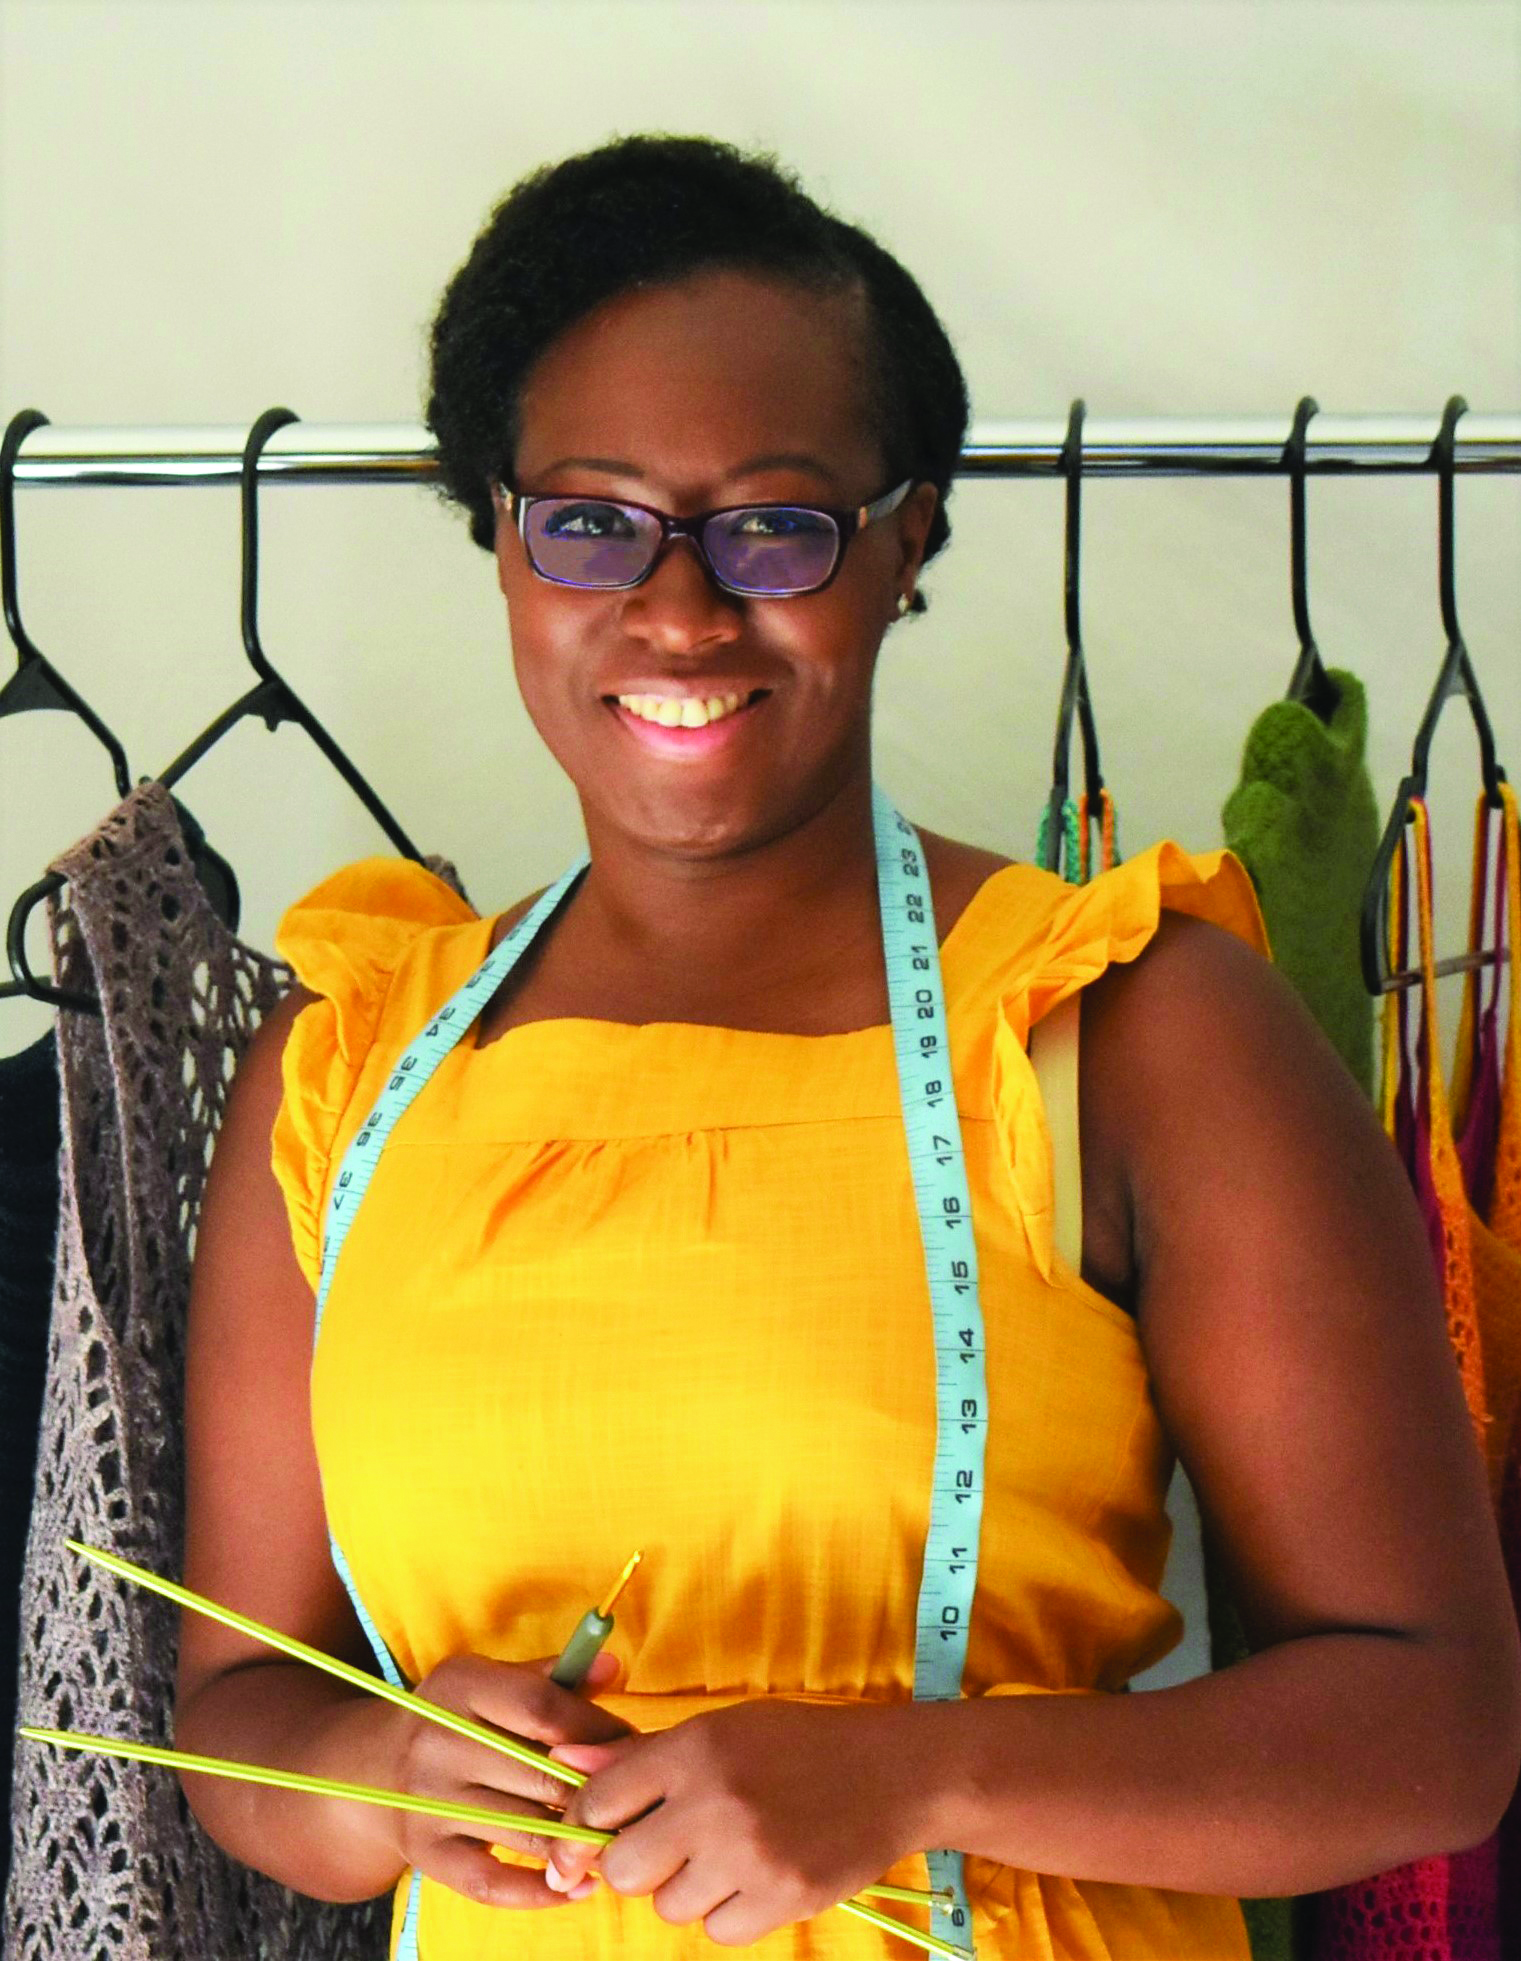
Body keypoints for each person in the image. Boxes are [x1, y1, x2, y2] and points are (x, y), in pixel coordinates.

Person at [172, 135, 1520, 1961]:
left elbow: (1431, 1732)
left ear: (909, 539)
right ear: (500, 537)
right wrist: (378, 1772)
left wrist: (913, 1776)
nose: (677, 609)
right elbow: (236, 1710)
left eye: (774, 524)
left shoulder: (1119, 1029)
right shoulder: (345, 1072)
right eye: (590, 520)